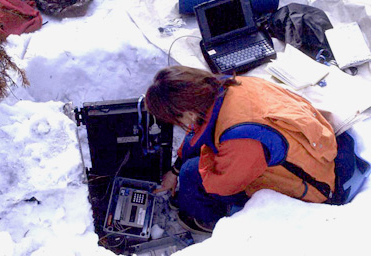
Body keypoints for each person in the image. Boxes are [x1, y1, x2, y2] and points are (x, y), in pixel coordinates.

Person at [145, 65, 369, 234]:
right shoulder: (234, 86)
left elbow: (222, 185)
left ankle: (209, 221)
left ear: (188, 112)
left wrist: (191, 166)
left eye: (176, 119)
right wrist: (174, 170)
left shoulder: (241, 137)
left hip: (311, 189)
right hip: (306, 157)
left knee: (193, 175)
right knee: (189, 167)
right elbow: (198, 130)